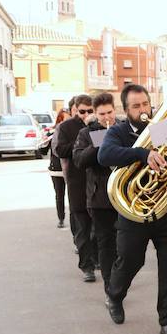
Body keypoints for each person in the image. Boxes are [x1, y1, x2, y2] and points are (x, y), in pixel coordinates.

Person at [98, 84, 167, 334]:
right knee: (130, 261)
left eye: (145, 104)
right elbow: (105, 155)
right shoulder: (119, 131)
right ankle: (115, 296)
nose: (142, 110)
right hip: (134, 211)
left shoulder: (163, 128)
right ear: (126, 110)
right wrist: (143, 153)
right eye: (136, 106)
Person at [72, 93, 118, 295]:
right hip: (100, 199)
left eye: (109, 112)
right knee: (106, 244)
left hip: (126, 195)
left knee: (125, 245)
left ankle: (119, 278)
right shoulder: (86, 133)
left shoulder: (123, 129)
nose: (106, 117)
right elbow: (79, 160)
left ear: (114, 110)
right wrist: (99, 143)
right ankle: (110, 287)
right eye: (102, 114)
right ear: (95, 114)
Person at [55, 94, 97, 282]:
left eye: (90, 111)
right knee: (82, 228)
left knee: (99, 227)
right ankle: (86, 266)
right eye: (82, 111)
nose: (86, 114)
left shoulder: (101, 125)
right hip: (77, 182)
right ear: (75, 110)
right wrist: (82, 142)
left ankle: (96, 259)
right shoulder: (66, 127)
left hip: (97, 183)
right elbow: (60, 150)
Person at [48, 108, 70, 229]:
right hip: (57, 168)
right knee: (59, 194)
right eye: (63, 119)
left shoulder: (80, 129)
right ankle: (61, 218)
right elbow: (56, 150)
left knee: (73, 196)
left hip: (71, 168)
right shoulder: (56, 131)